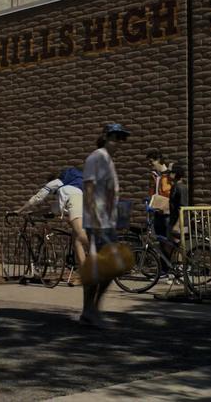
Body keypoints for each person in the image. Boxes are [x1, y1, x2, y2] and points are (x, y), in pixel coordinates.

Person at [81, 123, 129, 328]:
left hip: (107, 222)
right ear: (106, 136)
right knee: (111, 267)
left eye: (121, 138)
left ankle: (89, 311)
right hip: (98, 222)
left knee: (102, 268)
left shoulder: (108, 160)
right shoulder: (96, 157)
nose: (119, 142)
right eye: (115, 137)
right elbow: (89, 188)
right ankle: (92, 310)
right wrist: (96, 220)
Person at [16, 167, 89, 271]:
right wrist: (33, 213)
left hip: (75, 201)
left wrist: (20, 210)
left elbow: (38, 197)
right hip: (86, 203)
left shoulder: (57, 184)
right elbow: (50, 209)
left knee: (80, 234)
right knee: (76, 241)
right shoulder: (66, 192)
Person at [146, 150, 172, 237]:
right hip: (157, 213)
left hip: (167, 214)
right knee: (159, 240)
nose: (149, 164)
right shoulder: (155, 176)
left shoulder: (170, 176)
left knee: (169, 240)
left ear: (159, 160)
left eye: (151, 161)